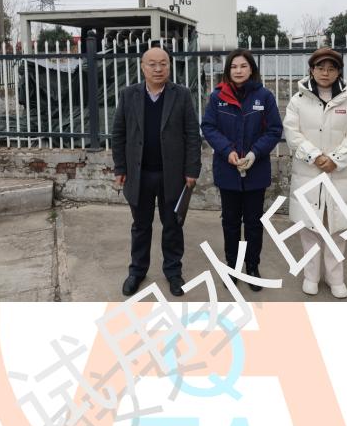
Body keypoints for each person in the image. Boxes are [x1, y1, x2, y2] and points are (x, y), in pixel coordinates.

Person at [112, 46, 201, 298]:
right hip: (139, 174)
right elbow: (118, 133)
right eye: (152, 64)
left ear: (169, 66)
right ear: (143, 67)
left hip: (172, 175)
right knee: (140, 225)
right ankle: (137, 271)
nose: (158, 68)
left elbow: (192, 135)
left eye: (163, 63)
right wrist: (120, 167)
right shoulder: (128, 95)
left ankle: (173, 272)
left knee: (172, 225)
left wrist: (192, 169)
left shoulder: (181, 95)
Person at [283, 48, 347, 299]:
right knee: (309, 228)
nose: (325, 73)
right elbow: (292, 133)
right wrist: (314, 156)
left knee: (336, 228)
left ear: (338, 72)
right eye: (320, 68)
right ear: (312, 70)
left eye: (331, 69)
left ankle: (335, 278)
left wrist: (335, 159)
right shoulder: (298, 100)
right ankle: (311, 277)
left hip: (339, 175)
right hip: (309, 173)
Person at [200, 49, 283, 290]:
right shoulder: (217, 97)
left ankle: (252, 267)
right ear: (228, 70)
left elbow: (274, 130)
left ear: (251, 69)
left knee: (254, 222)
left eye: (243, 66)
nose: (238, 70)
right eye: (234, 66)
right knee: (230, 222)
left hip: (256, 171)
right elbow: (209, 127)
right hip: (228, 171)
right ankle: (233, 267)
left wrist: (254, 153)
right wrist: (228, 151)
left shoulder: (264, 97)